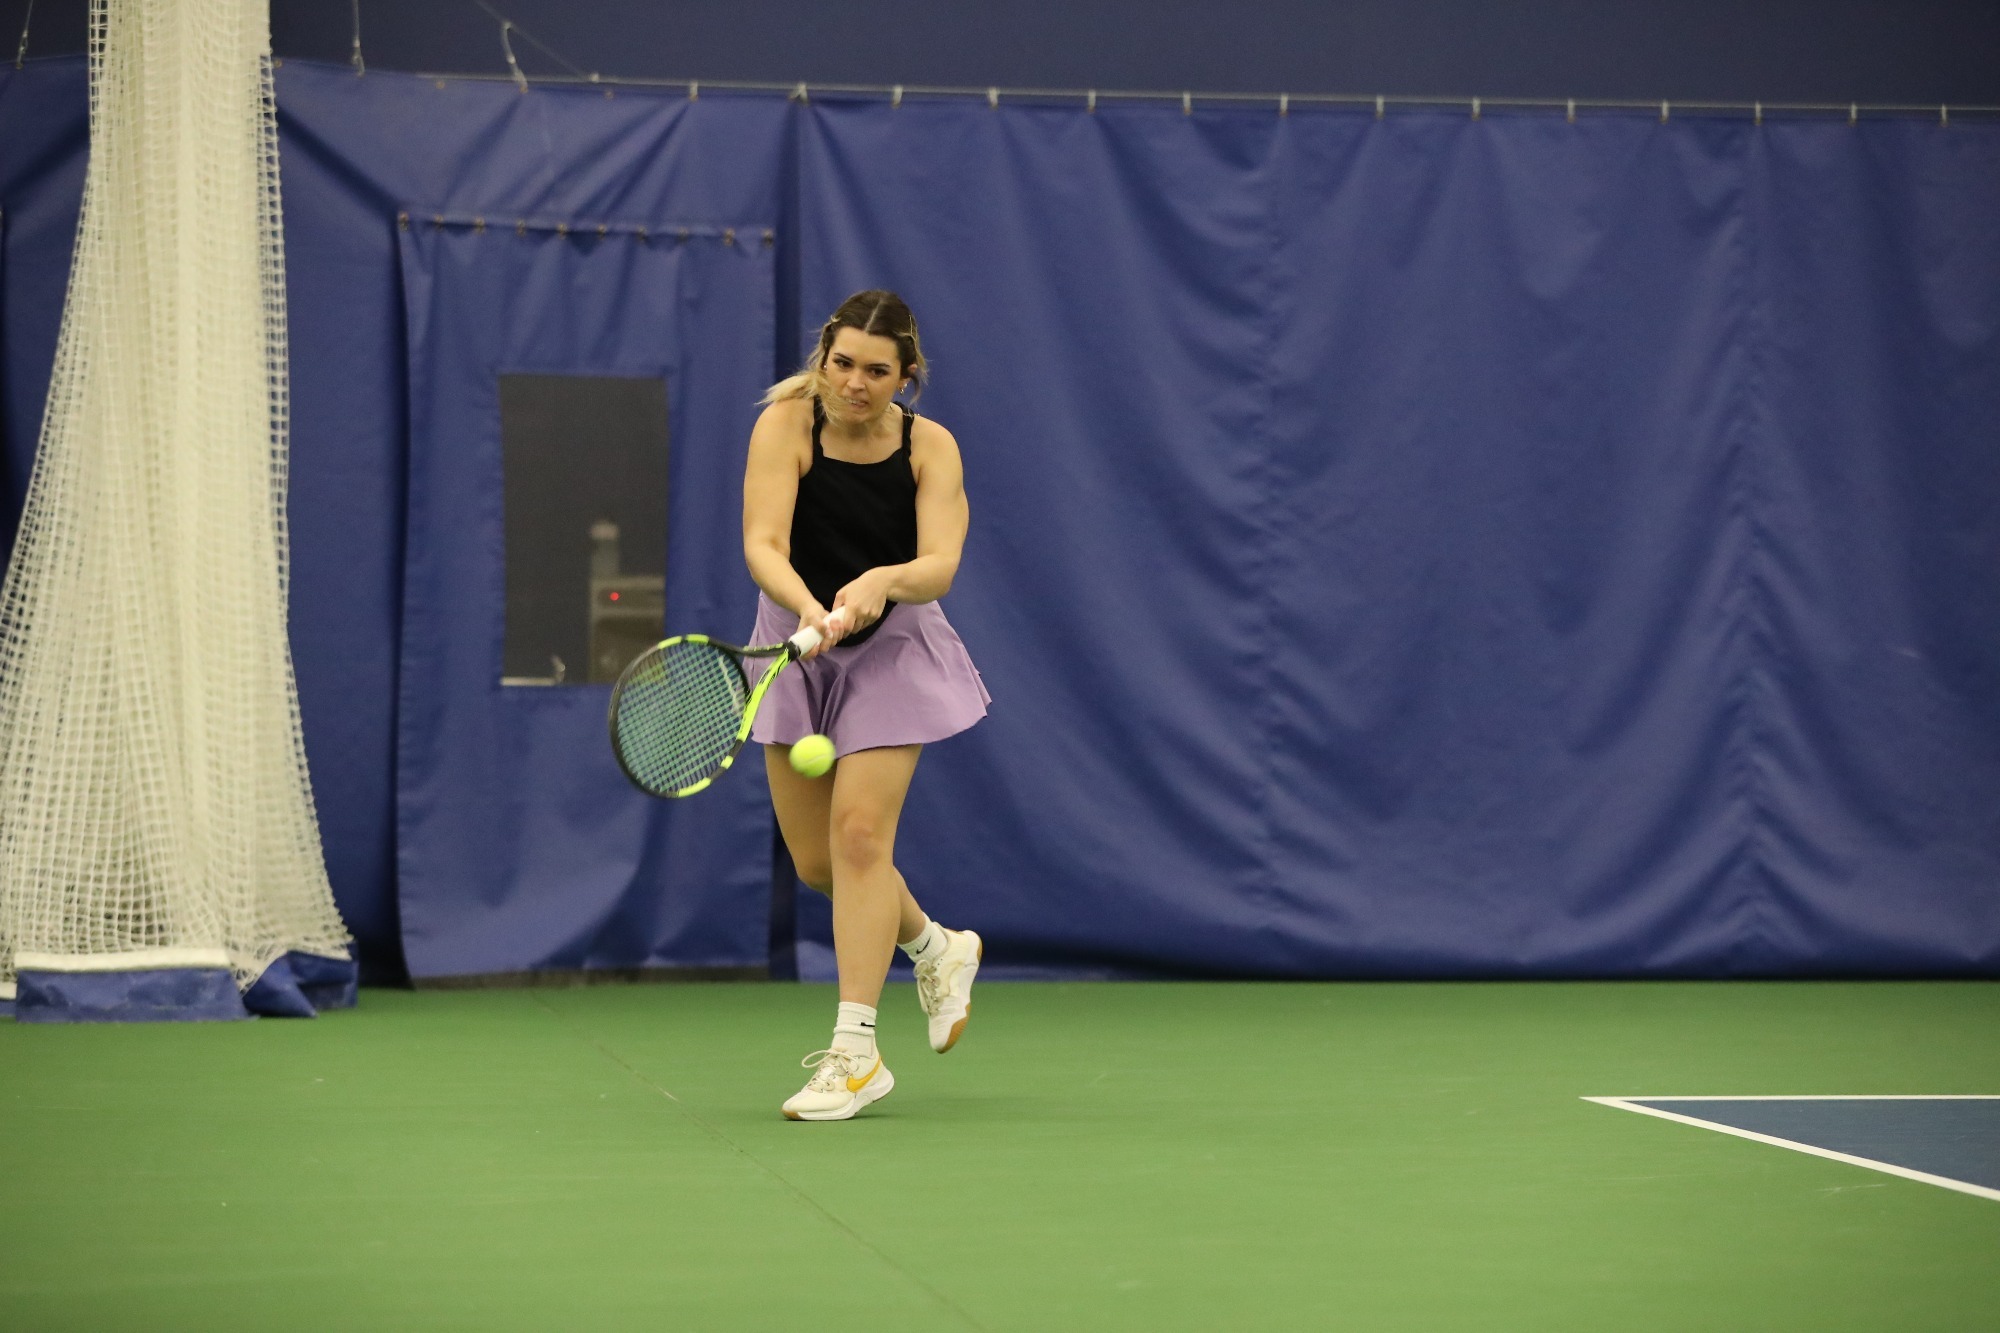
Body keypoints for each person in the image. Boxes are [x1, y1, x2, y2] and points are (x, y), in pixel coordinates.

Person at [741, 290, 990, 1122]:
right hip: (795, 641)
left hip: (892, 651)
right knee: (821, 865)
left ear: (906, 377)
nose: (854, 383)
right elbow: (763, 543)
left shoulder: (931, 447)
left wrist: (884, 579)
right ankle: (935, 946)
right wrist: (808, 609)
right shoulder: (785, 425)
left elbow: (940, 563)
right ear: (824, 357)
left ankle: (855, 1054)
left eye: (877, 371)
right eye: (842, 363)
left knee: (858, 838)